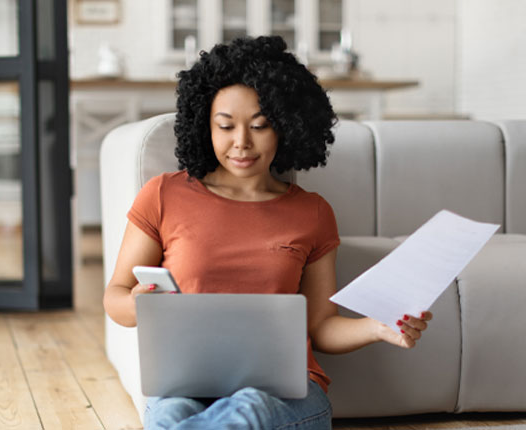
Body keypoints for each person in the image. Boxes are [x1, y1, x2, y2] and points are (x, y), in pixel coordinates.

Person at [103, 35, 433, 430]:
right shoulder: (163, 194)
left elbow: (320, 326)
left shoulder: (311, 212)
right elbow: (115, 296)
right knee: (174, 414)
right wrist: (138, 304)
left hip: (287, 394)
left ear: (285, 127)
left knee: (250, 408)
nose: (241, 143)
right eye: (225, 126)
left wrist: (377, 326)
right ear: (204, 125)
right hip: (186, 385)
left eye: (260, 126)